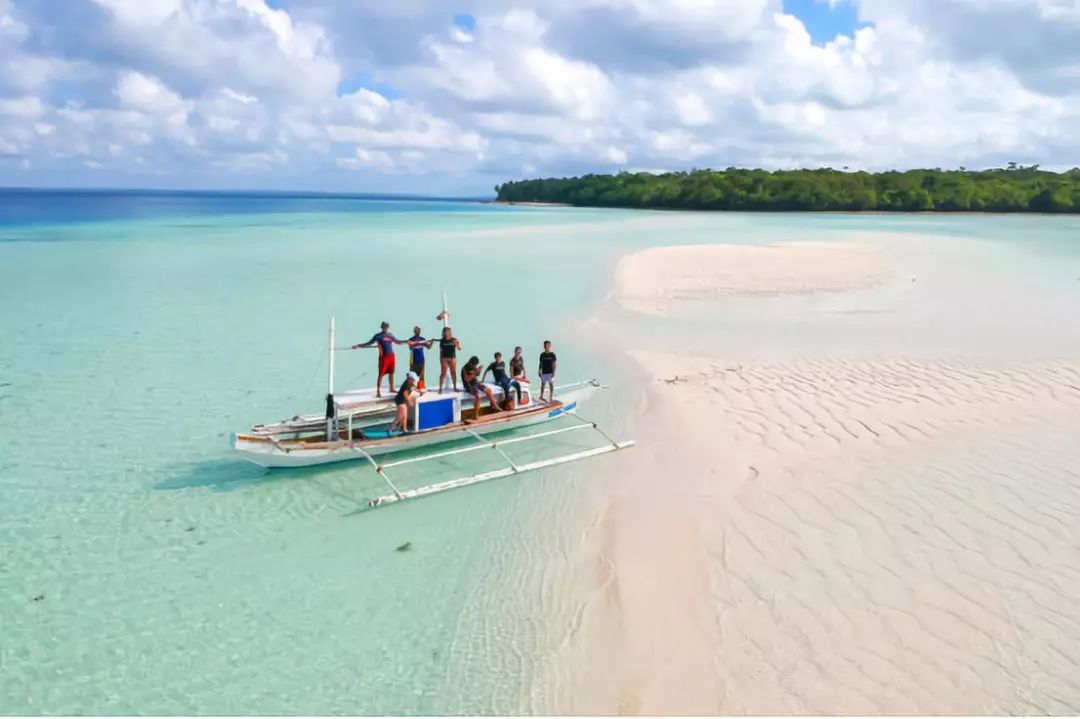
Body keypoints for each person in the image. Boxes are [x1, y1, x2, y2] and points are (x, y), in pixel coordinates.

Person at [352, 321, 407, 398]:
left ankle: (391, 388)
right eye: (384, 326)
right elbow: (369, 343)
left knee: (391, 372)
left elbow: (397, 342)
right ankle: (378, 391)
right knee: (381, 374)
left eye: (387, 326)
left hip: (391, 356)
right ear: (382, 327)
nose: (386, 328)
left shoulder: (390, 335)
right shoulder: (378, 336)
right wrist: (358, 345)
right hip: (383, 357)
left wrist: (406, 341)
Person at [438, 326, 462, 393]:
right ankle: (440, 388)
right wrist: (440, 359)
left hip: (452, 358)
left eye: (447, 331)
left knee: (453, 373)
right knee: (443, 374)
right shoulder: (442, 341)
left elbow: (459, 348)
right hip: (444, 358)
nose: (446, 333)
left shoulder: (454, 339)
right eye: (445, 332)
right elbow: (441, 351)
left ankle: (454, 387)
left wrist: (456, 344)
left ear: (450, 332)